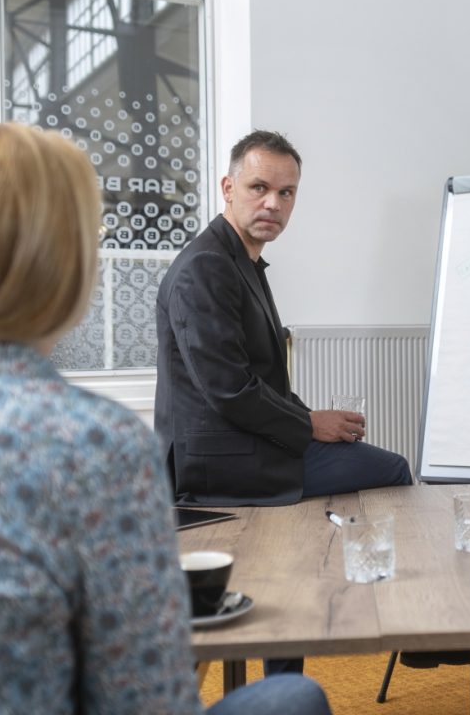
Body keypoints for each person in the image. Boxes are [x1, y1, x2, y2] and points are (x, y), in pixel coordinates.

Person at [0, 122, 331, 714]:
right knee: (295, 699)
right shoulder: (95, 445)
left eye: (286, 192)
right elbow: (148, 699)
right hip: (223, 463)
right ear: (65, 266)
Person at [155, 128, 412, 507]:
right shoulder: (206, 267)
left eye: (285, 192)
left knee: (368, 463)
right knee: (394, 470)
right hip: (219, 463)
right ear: (228, 188)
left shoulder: (241, 263)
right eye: (259, 187)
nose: (273, 203)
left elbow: (263, 381)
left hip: (242, 445)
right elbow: (229, 388)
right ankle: (366, 564)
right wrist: (309, 425)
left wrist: (313, 419)